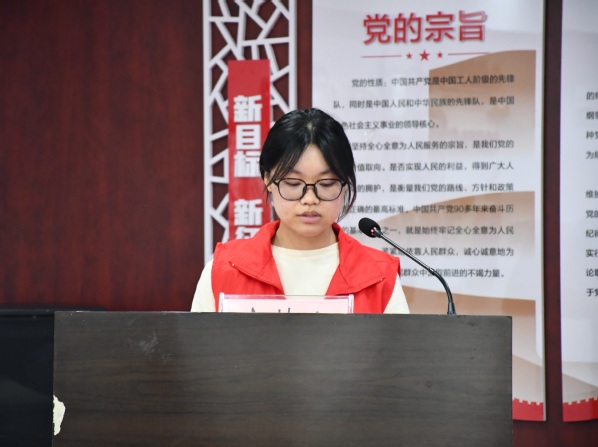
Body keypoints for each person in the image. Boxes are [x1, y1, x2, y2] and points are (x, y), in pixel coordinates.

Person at [191, 108, 409, 314]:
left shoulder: (380, 277)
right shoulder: (225, 270)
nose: (310, 199)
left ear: (345, 184)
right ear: (268, 179)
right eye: (293, 183)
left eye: (326, 184)